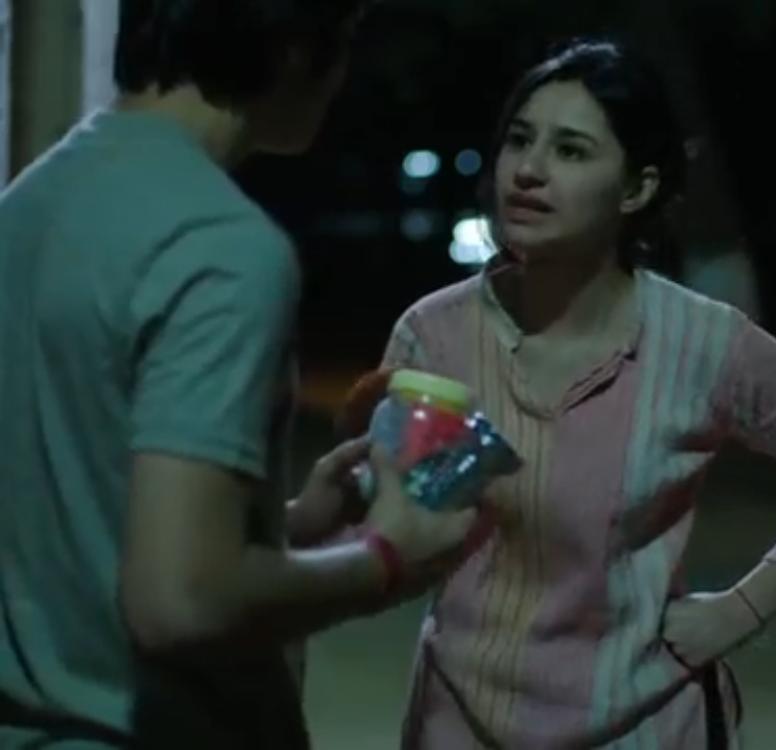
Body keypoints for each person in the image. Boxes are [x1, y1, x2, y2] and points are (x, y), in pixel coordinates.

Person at [381, 37, 776, 748]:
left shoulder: (701, 342)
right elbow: (407, 538)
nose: (529, 170)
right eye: (519, 141)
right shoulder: (436, 337)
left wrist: (739, 611)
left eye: (571, 151)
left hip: (643, 722)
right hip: (460, 719)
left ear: (638, 188)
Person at [0, 1, 477, 746]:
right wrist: (385, 557)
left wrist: (284, 524)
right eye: (345, 40)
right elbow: (180, 600)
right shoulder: (222, 247)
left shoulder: (28, 205)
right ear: (293, 49)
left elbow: (78, 516)